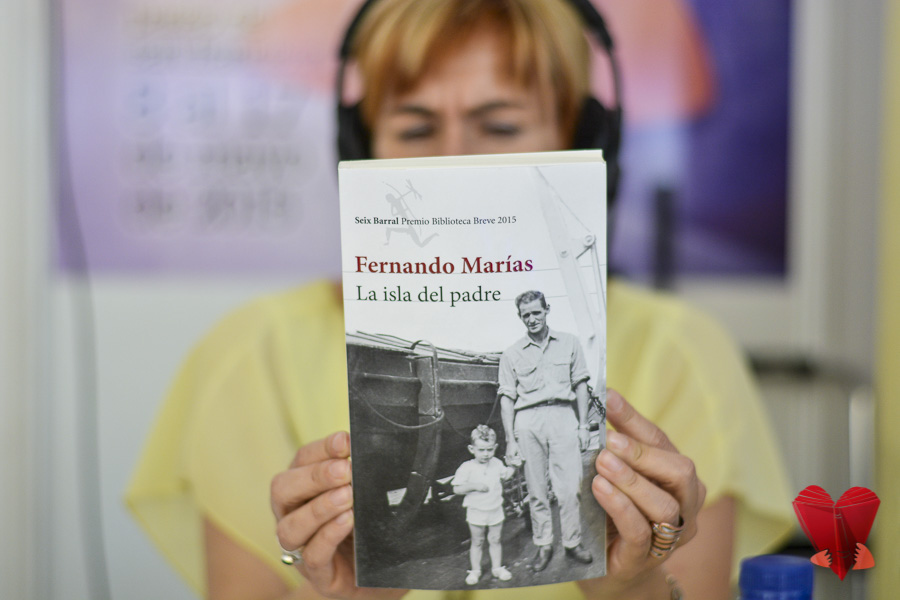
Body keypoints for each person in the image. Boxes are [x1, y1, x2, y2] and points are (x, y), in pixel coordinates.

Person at [126, 1, 796, 599]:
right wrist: (345, 595)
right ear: (361, 148)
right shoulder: (249, 354)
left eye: (500, 126)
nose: (452, 161)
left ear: (580, 143)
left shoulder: (681, 352)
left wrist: (633, 587)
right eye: (415, 129)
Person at [498, 291, 593, 571]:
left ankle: (572, 543)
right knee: (536, 489)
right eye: (525, 315)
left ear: (546, 310)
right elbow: (507, 398)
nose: (532, 319)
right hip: (528, 421)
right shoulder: (511, 354)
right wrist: (510, 441)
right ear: (520, 317)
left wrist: (584, 425)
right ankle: (543, 545)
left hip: (563, 415)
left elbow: (581, 385)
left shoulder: (570, 342)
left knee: (570, 488)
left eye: (536, 312)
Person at [451, 425, 516, 585]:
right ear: (471, 449)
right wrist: (473, 486)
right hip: (476, 512)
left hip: (495, 510)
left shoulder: (497, 463)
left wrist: (514, 466)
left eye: (489, 449)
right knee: (477, 541)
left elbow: (506, 475)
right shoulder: (467, 467)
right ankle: (475, 570)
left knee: (495, 540)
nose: (486, 454)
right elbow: (456, 489)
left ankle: (497, 568)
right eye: (481, 450)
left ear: (495, 447)